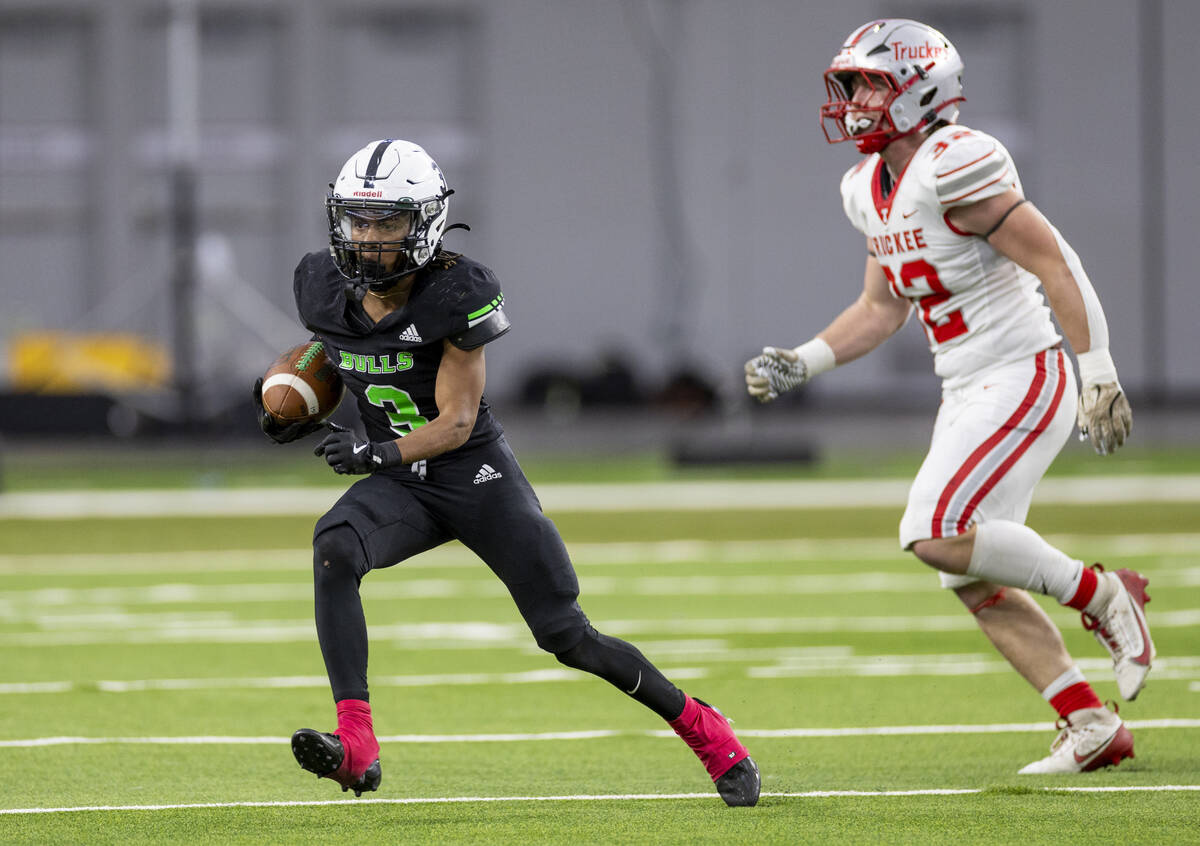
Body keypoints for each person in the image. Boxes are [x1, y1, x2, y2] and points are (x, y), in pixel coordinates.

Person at [252, 139, 760, 805]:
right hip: (405, 484)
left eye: (389, 224)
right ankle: (357, 745)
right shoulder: (319, 286)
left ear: (426, 223)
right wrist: (296, 407)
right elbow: (346, 359)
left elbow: (457, 420)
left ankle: (702, 726)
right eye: (360, 222)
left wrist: (375, 454)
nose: (371, 240)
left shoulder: (457, 292)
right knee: (335, 548)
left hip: (471, 476)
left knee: (568, 636)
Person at [744, 19, 1153, 774]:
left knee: (932, 529)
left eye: (868, 82)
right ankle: (1089, 724)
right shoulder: (867, 187)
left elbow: (1057, 265)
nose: (854, 100)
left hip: (1025, 369)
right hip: (965, 384)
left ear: (919, 85)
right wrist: (803, 362)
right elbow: (881, 308)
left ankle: (1101, 595)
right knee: (968, 571)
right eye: (852, 84)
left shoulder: (956, 163)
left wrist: (1098, 371)